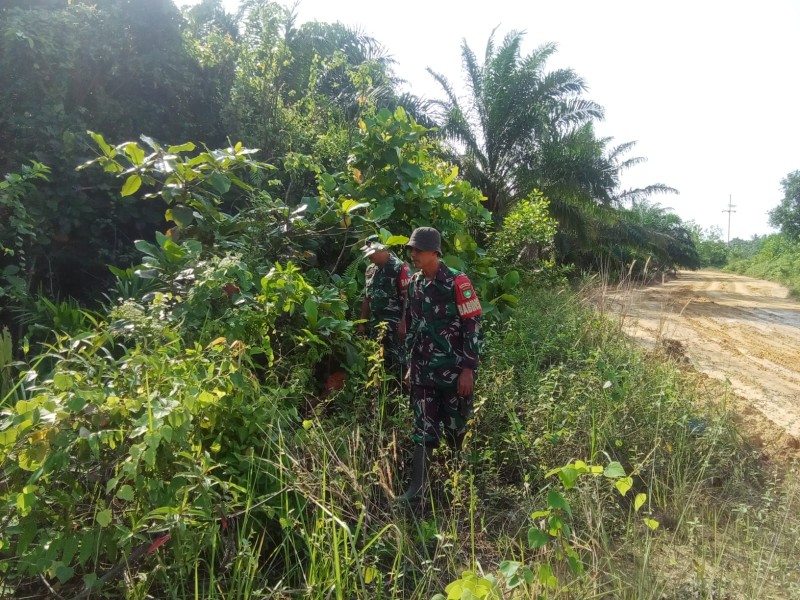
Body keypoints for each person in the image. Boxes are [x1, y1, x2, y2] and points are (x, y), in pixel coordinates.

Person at [399, 227, 482, 502]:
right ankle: (416, 491)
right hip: (423, 372)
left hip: (454, 372)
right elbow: (413, 328)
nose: (414, 255)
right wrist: (411, 365)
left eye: (419, 251)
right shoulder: (414, 284)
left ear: (435, 253)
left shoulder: (458, 282)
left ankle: (461, 489)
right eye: (412, 250)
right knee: (423, 428)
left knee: (456, 428)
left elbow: (472, 327)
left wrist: (468, 369)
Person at [358, 237, 412, 381]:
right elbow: (367, 297)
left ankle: (403, 394)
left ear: (382, 249)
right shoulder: (370, 270)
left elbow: (409, 296)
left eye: (372, 254)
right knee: (378, 362)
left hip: (395, 326)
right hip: (376, 325)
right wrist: (362, 323)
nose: (370, 258)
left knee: (400, 362)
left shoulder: (399, 267)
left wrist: (404, 322)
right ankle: (382, 395)